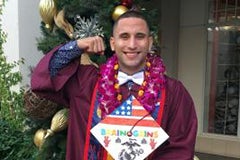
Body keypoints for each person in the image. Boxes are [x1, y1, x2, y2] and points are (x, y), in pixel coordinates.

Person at [31, 10, 197, 160]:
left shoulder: (173, 92)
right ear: (112, 43)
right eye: (124, 36)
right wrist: (78, 46)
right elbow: (46, 76)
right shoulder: (87, 83)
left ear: (150, 42)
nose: (132, 45)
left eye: (139, 36)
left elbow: (180, 150)